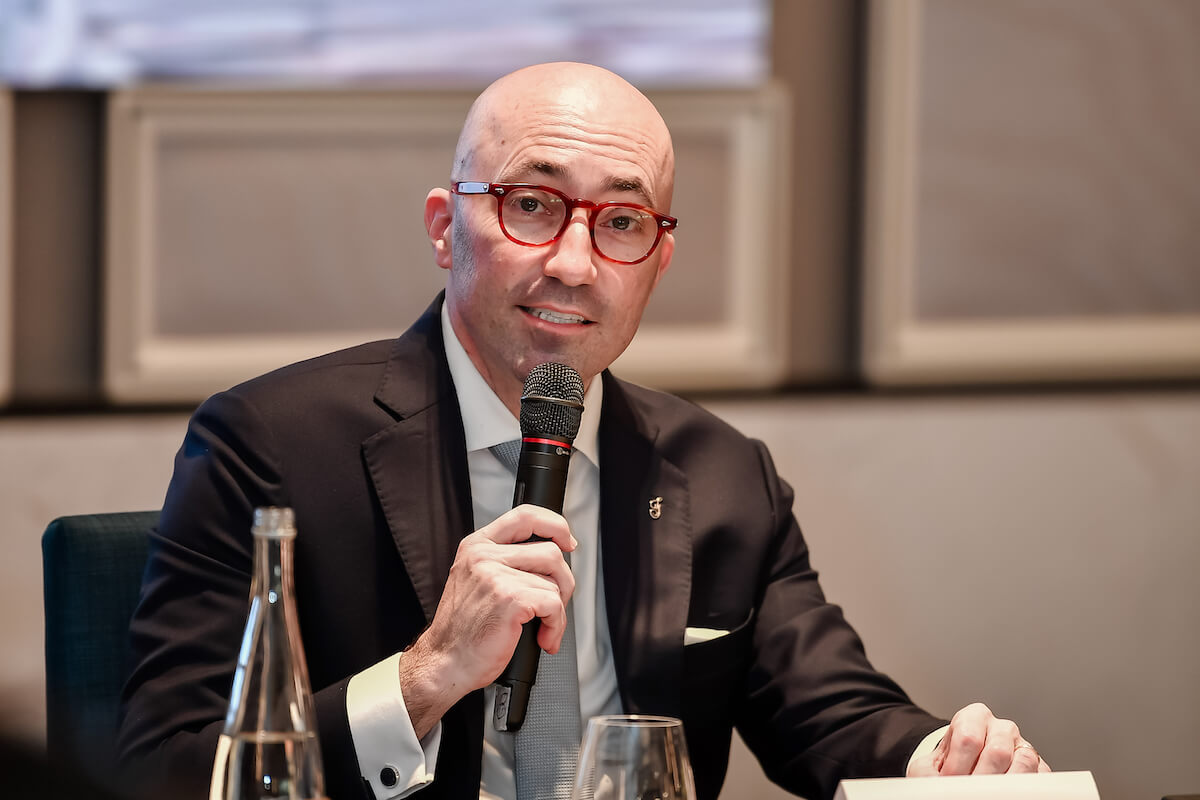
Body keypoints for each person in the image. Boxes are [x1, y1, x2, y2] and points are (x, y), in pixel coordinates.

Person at [116, 62, 1049, 800]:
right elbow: (166, 770)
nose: (574, 262)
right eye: (532, 204)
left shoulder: (722, 476)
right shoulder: (271, 447)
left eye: (621, 222)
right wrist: (426, 675)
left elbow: (832, 713)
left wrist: (945, 757)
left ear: (657, 258)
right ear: (447, 228)